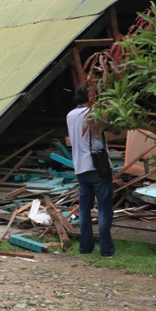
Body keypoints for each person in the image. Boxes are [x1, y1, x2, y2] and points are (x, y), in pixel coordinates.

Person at [66, 84, 115, 257]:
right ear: (90, 97)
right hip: (98, 166)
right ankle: (106, 249)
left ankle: (85, 247)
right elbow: (113, 127)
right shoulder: (94, 114)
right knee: (104, 208)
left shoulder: (70, 115)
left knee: (84, 209)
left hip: (80, 166)